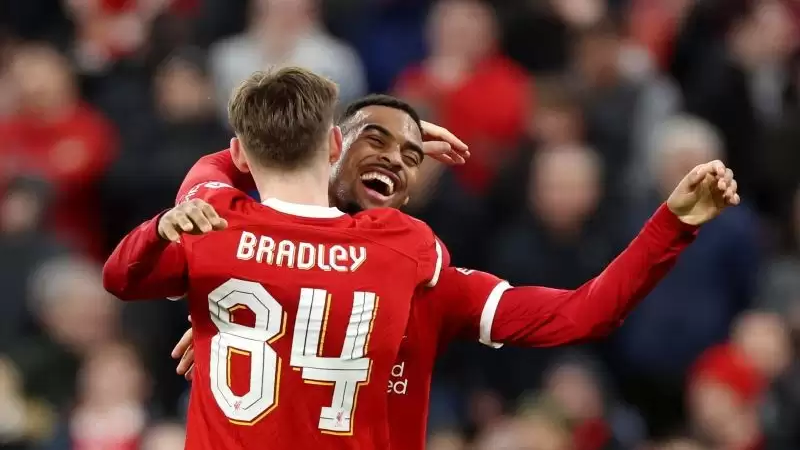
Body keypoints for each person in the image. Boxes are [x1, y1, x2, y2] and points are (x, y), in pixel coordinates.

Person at [168, 95, 740, 450]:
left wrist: (671, 225)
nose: (395, 158)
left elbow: (584, 312)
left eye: (410, 156)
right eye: (375, 139)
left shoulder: (430, 281)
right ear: (332, 147)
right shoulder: (256, 249)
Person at [102, 70, 448, 449]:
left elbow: (119, 278)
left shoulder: (215, 220)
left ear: (240, 153)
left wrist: (158, 230)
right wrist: (390, 141)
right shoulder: (400, 240)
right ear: (336, 145)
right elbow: (436, 265)